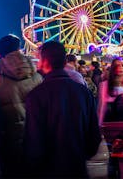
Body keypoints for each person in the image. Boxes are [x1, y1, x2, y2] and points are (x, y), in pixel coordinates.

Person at [24, 40, 101, 178]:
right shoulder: (84, 93)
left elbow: (34, 142)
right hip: (77, 167)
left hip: (48, 170)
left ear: (45, 61)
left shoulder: (36, 96)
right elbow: (94, 137)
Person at [0, 34, 42, 178]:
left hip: (8, 142)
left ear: (0, 52)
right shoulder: (37, 76)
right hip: (35, 139)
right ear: (19, 48)